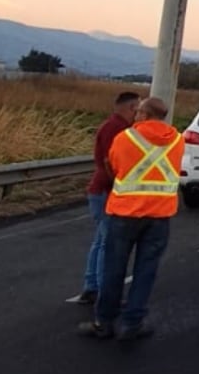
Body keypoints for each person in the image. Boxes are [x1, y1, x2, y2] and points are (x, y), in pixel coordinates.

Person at [78, 96, 184, 341]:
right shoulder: (178, 140)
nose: (135, 116)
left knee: (114, 269)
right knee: (146, 271)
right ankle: (132, 323)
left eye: (139, 113)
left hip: (125, 212)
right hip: (159, 215)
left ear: (145, 115)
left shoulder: (125, 138)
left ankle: (104, 322)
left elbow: (114, 166)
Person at [75, 90, 139, 304]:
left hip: (100, 190)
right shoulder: (117, 129)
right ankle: (104, 292)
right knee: (108, 243)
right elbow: (109, 162)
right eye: (137, 110)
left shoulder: (112, 126)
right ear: (131, 108)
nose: (138, 115)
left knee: (101, 241)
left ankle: (92, 286)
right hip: (107, 191)